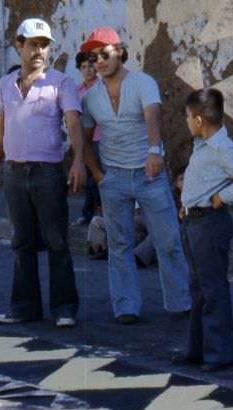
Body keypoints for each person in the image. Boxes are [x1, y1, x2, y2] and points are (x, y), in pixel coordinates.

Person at [80, 27, 191, 324]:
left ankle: (180, 302)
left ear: (120, 51)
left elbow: (152, 116)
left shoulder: (143, 82)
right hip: (113, 178)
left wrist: (155, 151)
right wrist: (98, 174)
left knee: (168, 240)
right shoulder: (91, 98)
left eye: (105, 54)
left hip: (148, 174)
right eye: (94, 57)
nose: (99, 62)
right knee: (119, 246)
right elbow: (84, 138)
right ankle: (126, 306)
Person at [0, 18, 85, 328]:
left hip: (48, 172)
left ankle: (64, 308)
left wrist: (78, 160)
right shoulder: (4, 85)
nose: (39, 50)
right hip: (14, 173)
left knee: (56, 241)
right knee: (21, 242)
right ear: (19, 46)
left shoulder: (60, 83)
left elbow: (74, 123)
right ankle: (24, 307)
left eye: (44, 44)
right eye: (33, 44)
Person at [171, 88, 233, 372]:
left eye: (188, 117)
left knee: (212, 289)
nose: (186, 122)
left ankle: (219, 353)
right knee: (198, 288)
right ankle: (197, 349)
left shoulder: (222, 147)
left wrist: (222, 198)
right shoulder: (203, 144)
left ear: (198, 119)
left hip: (209, 222)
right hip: (194, 222)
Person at [73, 51, 102, 226]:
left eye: (91, 66)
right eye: (84, 67)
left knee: (97, 180)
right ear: (79, 69)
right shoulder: (77, 91)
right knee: (89, 180)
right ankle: (88, 215)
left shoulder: (103, 87)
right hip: (85, 142)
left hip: (102, 140)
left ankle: (97, 215)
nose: (88, 70)